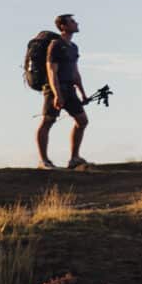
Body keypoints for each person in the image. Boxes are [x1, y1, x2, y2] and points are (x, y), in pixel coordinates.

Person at [35, 11, 93, 171]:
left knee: (82, 121)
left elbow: (75, 72)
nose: (76, 24)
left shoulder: (73, 47)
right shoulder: (55, 45)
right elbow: (51, 71)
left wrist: (83, 93)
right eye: (72, 22)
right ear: (63, 26)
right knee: (48, 121)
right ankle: (43, 161)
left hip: (70, 89)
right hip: (54, 89)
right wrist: (57, 95)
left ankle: (74, 158)